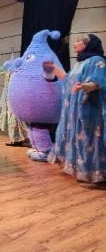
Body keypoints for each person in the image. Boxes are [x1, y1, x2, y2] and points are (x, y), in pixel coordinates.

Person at [48, 34, 106, 182]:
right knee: (79, 138)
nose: (74, 44)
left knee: (90, 139)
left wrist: (84, 86)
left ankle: (94, 174)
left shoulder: (97, 61)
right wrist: (55, 69)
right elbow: (69, 81)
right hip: (74, 110)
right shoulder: (79, 63)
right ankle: (80, 169)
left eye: (78, 41)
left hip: (90, 109)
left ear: (87, 44)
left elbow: (98, 81)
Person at [0, 61, 28, 146]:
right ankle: (18, 139)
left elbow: (2, 72)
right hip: (15, 100)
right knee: (16, 121)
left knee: (14, 121)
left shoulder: (13, 75)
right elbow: (2, 72)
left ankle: (16, 140)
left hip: (14, 101)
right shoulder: (12, 74)